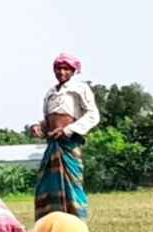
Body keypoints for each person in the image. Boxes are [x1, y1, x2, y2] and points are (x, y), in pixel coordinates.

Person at [29, 52, 100, 220]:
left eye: (66, 69)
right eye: (58, 68)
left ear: (73, 71)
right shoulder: (50, 93)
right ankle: (50, 225)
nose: (61, 72)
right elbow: (48, 119)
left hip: (69, 146)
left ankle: (77, 226)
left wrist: (68, 130)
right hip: (52, 147)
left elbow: (93, 115)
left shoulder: (80, 88)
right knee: (46, 188)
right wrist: (38, 127)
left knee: (72, 187)